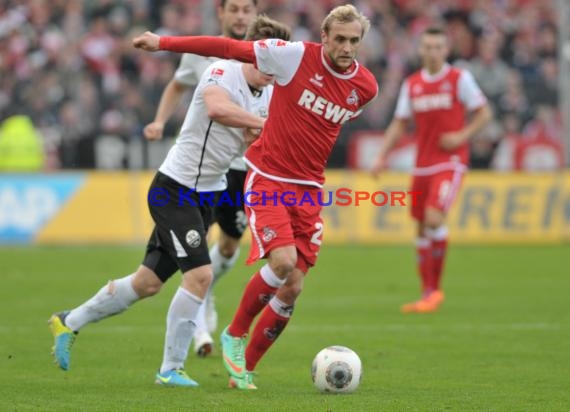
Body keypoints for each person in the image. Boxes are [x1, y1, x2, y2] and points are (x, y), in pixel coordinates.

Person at [133, 4, 379, 390]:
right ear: (324, 37)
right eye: (340, 39)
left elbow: (323, 127)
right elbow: (227, 47)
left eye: (354, 41)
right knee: (283, 262)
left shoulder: (366, 88)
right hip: (268, 178)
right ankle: (234, 332)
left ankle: (242, 369)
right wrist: (163, 42)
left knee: (293, 285)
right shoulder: (293, 56)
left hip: (309, 189)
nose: (347, 47)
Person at [49, 16, 291, 388]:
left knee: (147, 283)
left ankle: (69, 321)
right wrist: (260, 126)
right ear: (252, 54)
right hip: (174, 190)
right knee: (200, 274)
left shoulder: (270, 92)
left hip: (208, 193)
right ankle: (170, 369)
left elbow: (251, 140)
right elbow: (215, 108)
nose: (274, 72)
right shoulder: (222, 72)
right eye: (269, 62)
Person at [144, 0, 258, 358]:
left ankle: (204, 288)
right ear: (221, 13)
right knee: (199, 252)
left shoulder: (265, 56)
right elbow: (177, 86)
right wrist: (161, 120)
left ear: (254, 15)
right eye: (234, 9)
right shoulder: (201, 55)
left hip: (244, 170)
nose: (241, 16)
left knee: (228, 247)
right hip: (206, 173)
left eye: (246, 10)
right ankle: (200, 302)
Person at [371, 27, 492, 313]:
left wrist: (462, 136)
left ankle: (434, 291)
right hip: (422, 164)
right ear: (421, 50)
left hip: (450, 161)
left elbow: (484, 113)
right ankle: (427, 292)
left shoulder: (459, 79)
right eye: (428, 46)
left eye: (438, 46)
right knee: (422, 226)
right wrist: (381, 156)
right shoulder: (412, 84)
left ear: (446, 50)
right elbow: (400, 123)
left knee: (434, 218)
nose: (433, 51)